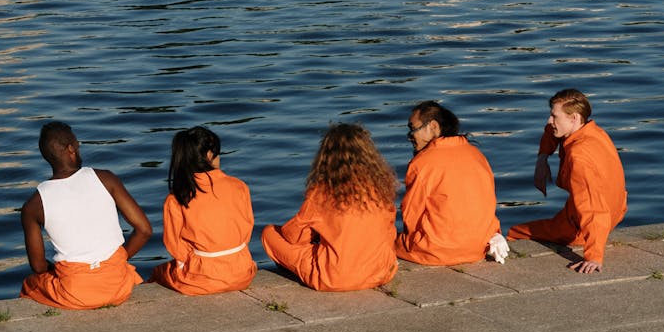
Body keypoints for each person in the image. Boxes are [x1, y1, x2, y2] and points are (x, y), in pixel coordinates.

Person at [20, 122, 151, 309]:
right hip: (119, 286)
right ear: (71, 149)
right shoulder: (106, 179)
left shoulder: (33, 206)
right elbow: (144, 230)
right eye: (77, 145)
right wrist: (118, 259)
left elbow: (39, 266)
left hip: (76, 293)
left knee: (30, 284)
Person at [261, 122, 398, 291]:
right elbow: (389, 229)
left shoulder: (322, 192)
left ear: (326, 156)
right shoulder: (380, 187)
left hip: (335, 277)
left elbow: (294, 237)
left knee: (269, 234)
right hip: (381, 271)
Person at [507, 89, 627, 274]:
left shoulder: (579, 157)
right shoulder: (594, 132)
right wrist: (543, 157)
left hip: (583, 224)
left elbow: (593, 208)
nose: (549, 121)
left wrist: (594, 256)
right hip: (616, 210)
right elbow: (551, 131)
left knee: (516, 231)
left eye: (554, 116)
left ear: (574, 118)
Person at [395, 101, 508, 267]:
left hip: (436, 251)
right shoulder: (477, 155)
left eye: (412, 128)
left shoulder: (422, 163)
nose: (409, 135)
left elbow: (411, 215)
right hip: (478, 248)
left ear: (433, 126)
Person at [149, 127, 256, 296]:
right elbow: (247, 230)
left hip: (201, 278)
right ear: (209, 155)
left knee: (158, 272)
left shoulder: (178, 198)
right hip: (242, 272)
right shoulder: (239, 186)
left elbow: (174, 245)